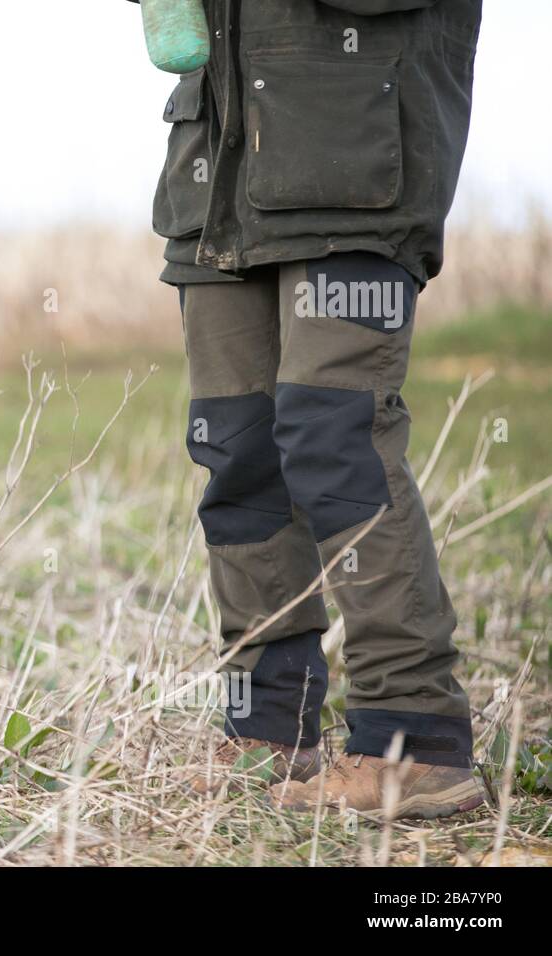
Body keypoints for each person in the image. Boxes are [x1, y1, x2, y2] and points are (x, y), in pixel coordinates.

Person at [141, 0, 485, 817]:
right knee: (236, 447)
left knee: (336, 438)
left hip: (353, 164)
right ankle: (269, 728)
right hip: (219, 171)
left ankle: (415, 738)